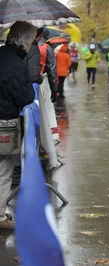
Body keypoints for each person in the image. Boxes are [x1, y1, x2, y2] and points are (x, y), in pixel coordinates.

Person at [0, 21, 36, 230]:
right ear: (25, 42)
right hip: (4, 122)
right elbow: (25, 96)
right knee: (4, 170)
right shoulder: (15, 64)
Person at [38, 28, 57, 102]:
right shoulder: (47, 48)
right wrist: (54, 89)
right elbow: (52, 70)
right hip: (41, 81)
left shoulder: (28, 46)